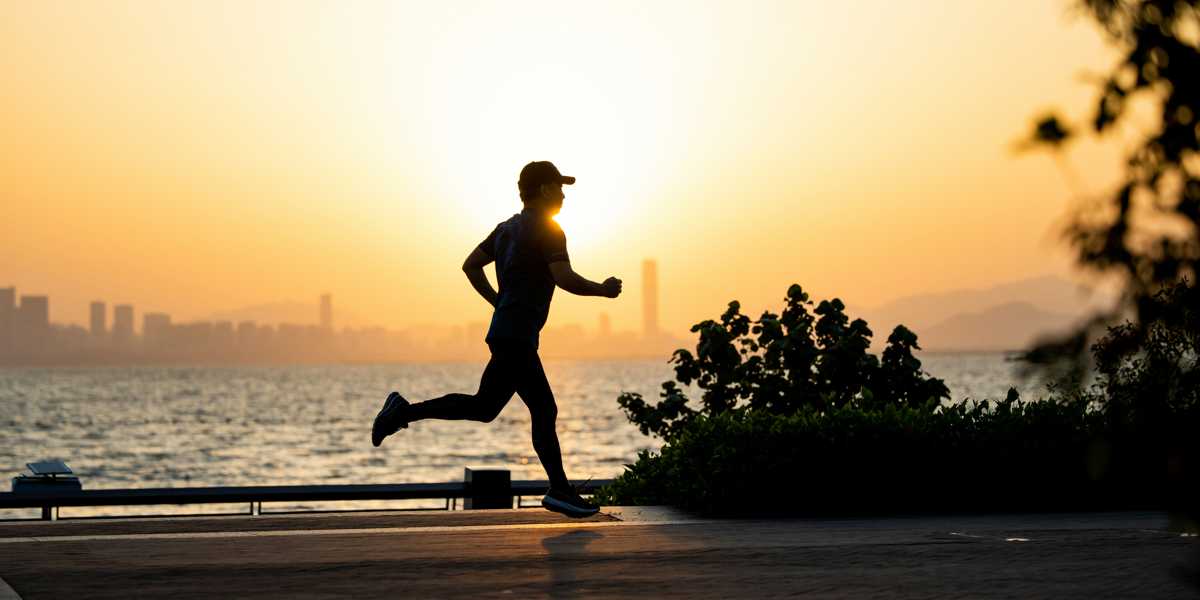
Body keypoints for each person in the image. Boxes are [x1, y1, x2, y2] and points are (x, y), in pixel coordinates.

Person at [371, 161, 622, 518]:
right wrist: (603, 290)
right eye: (559, 187)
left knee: (484, 408)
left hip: (505, 331)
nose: (564, 195)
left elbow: (471, 265)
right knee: (544, 409)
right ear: (545, 189)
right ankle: (560, 490)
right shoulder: (550, 230)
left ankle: (402, 411)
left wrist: (497, 302)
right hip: (516, 335)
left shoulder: (505, 230)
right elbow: (564, 277)